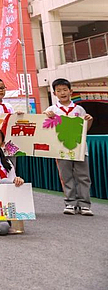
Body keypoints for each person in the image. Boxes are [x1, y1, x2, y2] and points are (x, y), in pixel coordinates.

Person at [44, 78, 94, 216]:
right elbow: (44, 127)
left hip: (79, 148)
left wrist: (89, 120)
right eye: (59, 90)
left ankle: (84, 204)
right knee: (66, 176)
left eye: (65, 90)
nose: (62, 93)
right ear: (54, 93)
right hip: (60, 148)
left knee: (83, 176)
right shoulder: (51, 110)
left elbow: (85, 130)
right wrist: (48, 116)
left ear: (70, 91)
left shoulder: (79, 109)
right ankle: (70, 203)